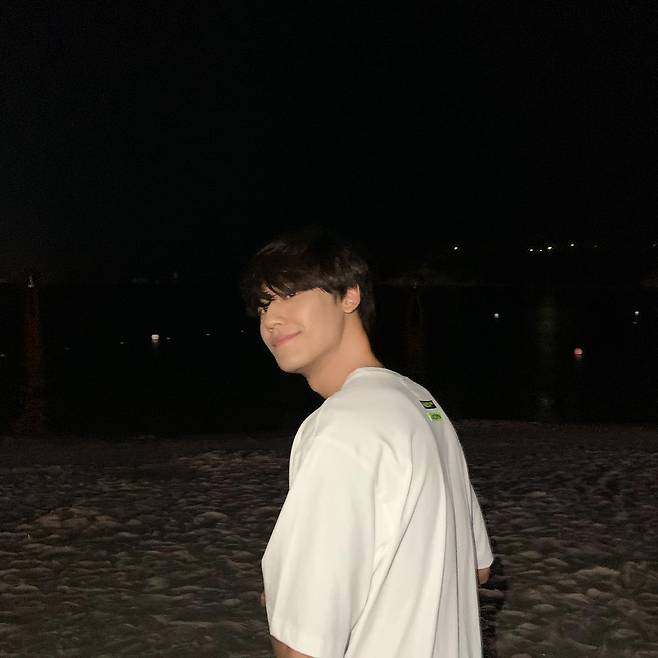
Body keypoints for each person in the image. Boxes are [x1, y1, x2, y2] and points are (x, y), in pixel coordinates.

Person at [240, 227, 493, 658]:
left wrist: (296, 601)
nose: (270, 319)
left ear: (350, 295)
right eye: (264, 305)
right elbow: (476, 568)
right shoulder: (420, 402)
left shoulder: (343, 427)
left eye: (289, 295)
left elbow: (302, 647)